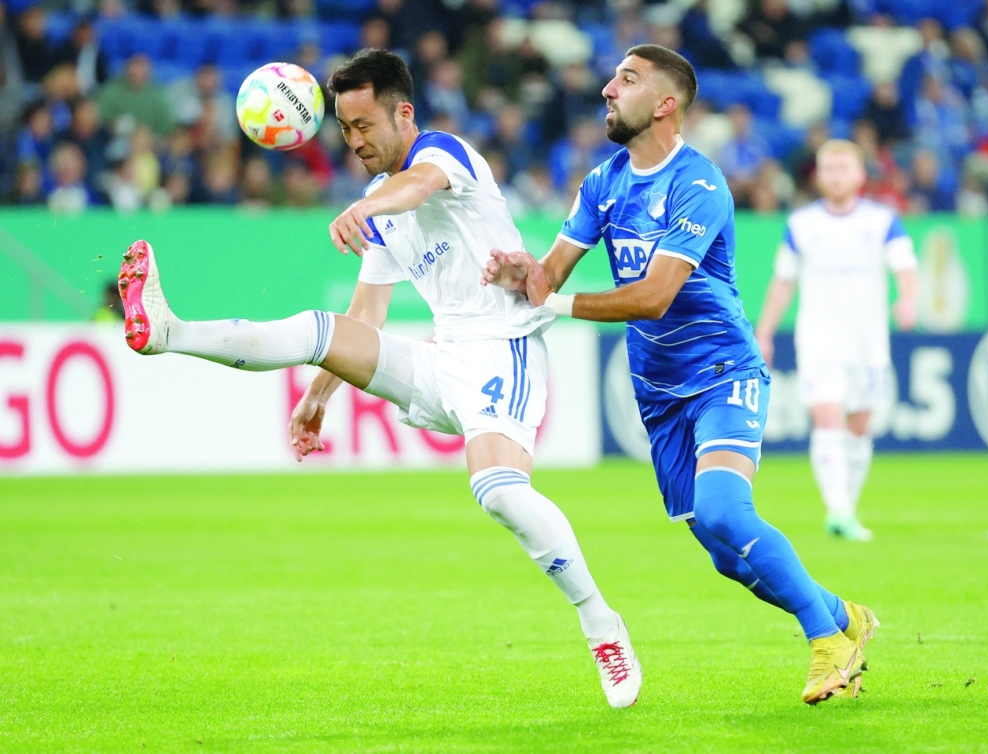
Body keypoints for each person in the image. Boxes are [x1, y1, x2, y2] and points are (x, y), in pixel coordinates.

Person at [116, 48, 641, 709]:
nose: (355, 141)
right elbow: (366, 313)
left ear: (403, 114)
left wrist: (369, 209)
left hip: (504, 347)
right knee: (318, 329)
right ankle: (169, 333)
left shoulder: (445, 155)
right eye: (344, 129)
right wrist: (317, 396)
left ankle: (601, 624)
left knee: (499, 493)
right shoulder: (377, 202)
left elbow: (418, 184)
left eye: (364, 125)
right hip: (442, 357)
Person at [480, 44, 876, 705]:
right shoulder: (603, 182)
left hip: (722, 371)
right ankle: (844, 616)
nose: (608, 89)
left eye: (627, 79)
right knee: (723, 554)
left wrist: (555, 305)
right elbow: (552, 273)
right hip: (659, 394)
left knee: (725, 509)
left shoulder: (699, 184)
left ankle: (828, 645)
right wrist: (526, 273)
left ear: (666, 104)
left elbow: (655, 295)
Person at [755, 139, 919, 542]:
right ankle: (839, 511)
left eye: (844, 168)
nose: (836, 175)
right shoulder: (801, 224)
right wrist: (765, 331)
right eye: (828, 168)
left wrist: (908, 300)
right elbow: (783, 281)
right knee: (826, 417)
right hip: (819, 339)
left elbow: (905, 267)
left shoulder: (882, 220)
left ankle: (847, 506)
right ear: (819, 176)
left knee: (859, 424)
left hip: (868, 343)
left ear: (861, 175)